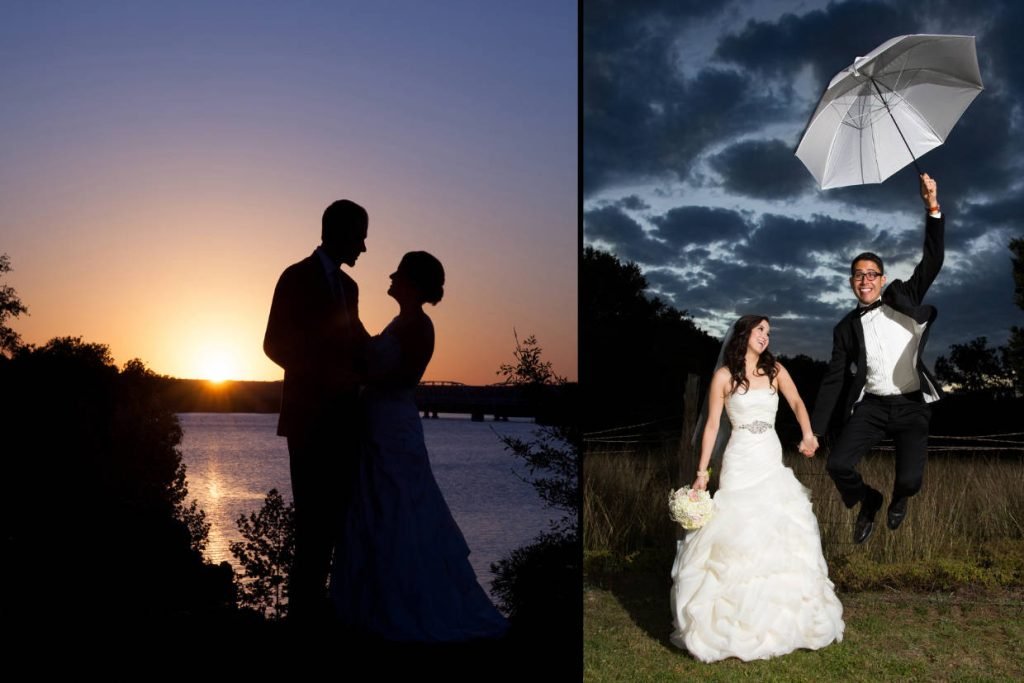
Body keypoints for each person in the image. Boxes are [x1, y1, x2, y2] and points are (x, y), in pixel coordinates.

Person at [330, 251, 509, 642]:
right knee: (376, 506)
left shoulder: (419, 327)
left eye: (399, 273)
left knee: (399, 508)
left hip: (392, 426)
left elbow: (393, 374)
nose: (390, 277)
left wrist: (356, 337)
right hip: (379, 422)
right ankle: (371, 601)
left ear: (411, 282)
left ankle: (403, 603)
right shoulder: (403, 322)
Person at [671, 315, 844, 663]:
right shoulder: (723, 377)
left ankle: (780, 623)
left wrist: (808, 434)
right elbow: (711, 427)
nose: (766, 336)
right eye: (760, 329)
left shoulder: (776, 370)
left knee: (778, 528)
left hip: (770, 456)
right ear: (743, 333)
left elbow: (796, 402)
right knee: (739, 531)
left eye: (769, 331)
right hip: (739, 460)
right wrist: (702, 472)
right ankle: (730, 623)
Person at [811, 174, 944, 544]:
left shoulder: (904, 295)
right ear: (851, 282)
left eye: (872, 274)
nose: (865, 280)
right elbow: (834, 379)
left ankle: (900, 496)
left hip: (911, 405)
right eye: (858, 275)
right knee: (837, 464)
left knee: (910, 480)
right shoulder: (844, 329)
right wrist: (815, 431)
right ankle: (869, 500)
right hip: (870, 407)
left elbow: (933, 261)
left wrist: (931, 206)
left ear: (883, 280)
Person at [263, 199, 370, 624]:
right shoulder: (295, 278)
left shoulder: (350, 289)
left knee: (341, 521)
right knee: (312, 524)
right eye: (360, 235)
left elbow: (357, 344)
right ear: (339, 232)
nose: (364, 247)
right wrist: (325, 375)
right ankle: (302, 617)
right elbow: (273, 344)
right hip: (308, 422)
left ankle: (334, 610)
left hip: (347, 422)